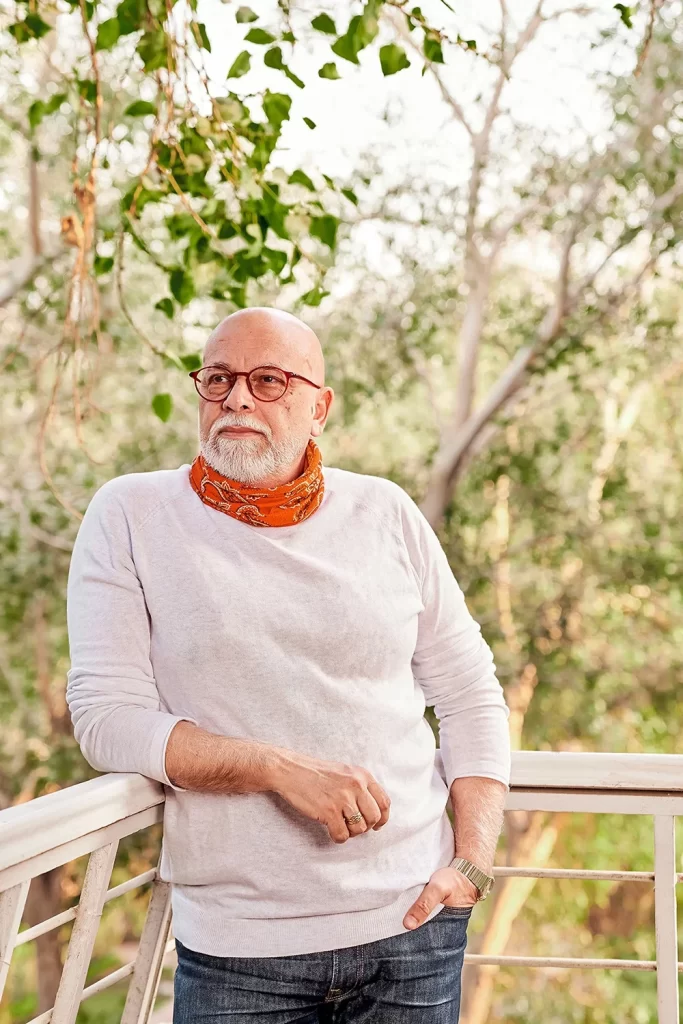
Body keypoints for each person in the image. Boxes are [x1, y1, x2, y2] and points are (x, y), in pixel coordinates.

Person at [66, 306, 511, 1024]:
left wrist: (471, 864)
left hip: (416, 931)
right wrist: (276, 768)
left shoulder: (387, 512)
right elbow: (106, 719)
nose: (237, 398)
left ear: (319, 408)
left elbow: (469, 692)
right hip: (239, 950)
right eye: (218, 379)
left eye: (269, 380)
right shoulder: (130, 514)